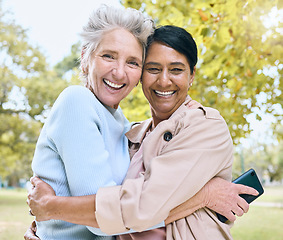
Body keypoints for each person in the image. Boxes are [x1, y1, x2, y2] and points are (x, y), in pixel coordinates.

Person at [26, 24, 259, 240]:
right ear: (141, 76)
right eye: (153, 69)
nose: (164, 81)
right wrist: (48, 230)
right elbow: (127, 206)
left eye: (176, 70)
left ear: (192, 75)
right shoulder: (132, 134)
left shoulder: (206, 125)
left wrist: (50, 207)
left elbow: (143, 208)